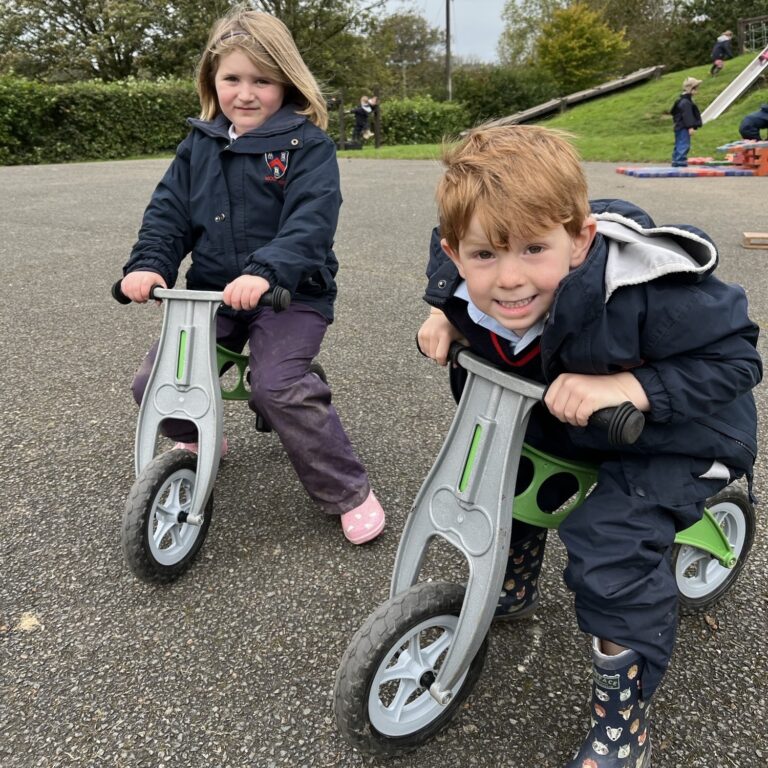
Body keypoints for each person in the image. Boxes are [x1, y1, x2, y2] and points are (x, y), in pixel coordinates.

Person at [417, 124, 761, 767]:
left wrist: (630, 385)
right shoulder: (461, 272)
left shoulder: (646, 293)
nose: (509, 278)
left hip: (676, 433)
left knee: (611, 547)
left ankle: (624, 717)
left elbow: (737, 358)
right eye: (484, 255)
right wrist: (443, 313)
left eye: (532, 249)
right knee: (499, 470)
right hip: (569, 420)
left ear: (580, 240)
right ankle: (513, 577)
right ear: (454, 251)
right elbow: (454, 284)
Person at [120, 8, 385, 545]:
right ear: (211, 81)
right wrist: (149, 263)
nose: (245, 93)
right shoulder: (199, 144)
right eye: (232, 79)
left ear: (285, 81)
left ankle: (346, 490)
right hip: (213, 293)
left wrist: (266, 273)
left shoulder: (308, 147)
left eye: (261, 80)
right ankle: (197, 435)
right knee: (153, 383)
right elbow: (169, 212)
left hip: (292, 293)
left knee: (276, 386)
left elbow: (311, 224)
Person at [670, 77, 703, 167]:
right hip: (683, 127)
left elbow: (673, 112)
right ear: (690, 89)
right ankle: (680, 161)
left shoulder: (682, 100)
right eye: (696, 88)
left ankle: (676, 160)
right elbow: (687, 116)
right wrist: (690, 127)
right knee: (684, 144)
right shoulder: (686, 102)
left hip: (680, 126)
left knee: (679, 143)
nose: (697, 90)